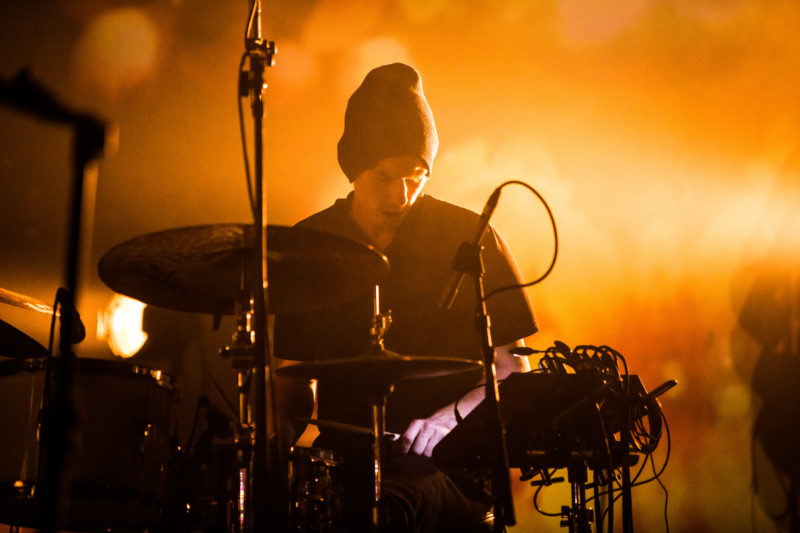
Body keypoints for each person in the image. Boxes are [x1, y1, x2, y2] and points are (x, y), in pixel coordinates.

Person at [274, 62, 537, 532]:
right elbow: (289, 384)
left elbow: (512, 367)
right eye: (384, 176)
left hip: (450, 467)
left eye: (416, 176)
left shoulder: (469, 238)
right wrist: (271, 459)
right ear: (354, 168)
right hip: (342, 462)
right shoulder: (309, 245)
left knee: (384, 512)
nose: (401, 194)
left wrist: (448, 419)